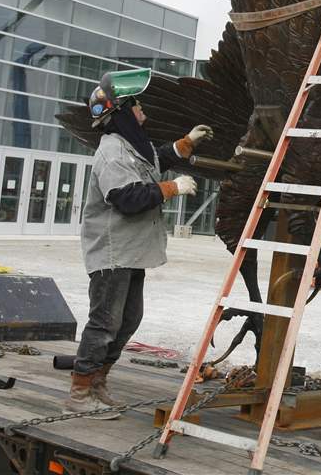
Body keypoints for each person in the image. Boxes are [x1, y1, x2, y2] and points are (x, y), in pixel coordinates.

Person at [67, 68, 213, 417]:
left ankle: (98, 381)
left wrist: (186, 143)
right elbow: (127, 197)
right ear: (122, 114)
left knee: (129, 319)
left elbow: (154, 160)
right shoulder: (112, 152)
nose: (143, 111)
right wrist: (171, 188)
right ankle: (80, 391)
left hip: (131, 252)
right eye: (136, 105)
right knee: (104, 323)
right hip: (112, 252)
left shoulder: (131, 146)